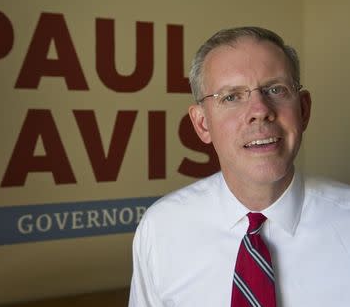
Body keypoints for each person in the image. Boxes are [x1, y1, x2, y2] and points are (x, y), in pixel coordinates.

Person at [128, 26, 350, 306]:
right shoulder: (160, 229)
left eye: (275, 89)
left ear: (303, 110)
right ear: (202, 124)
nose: (259, 111)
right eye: (231, 96)